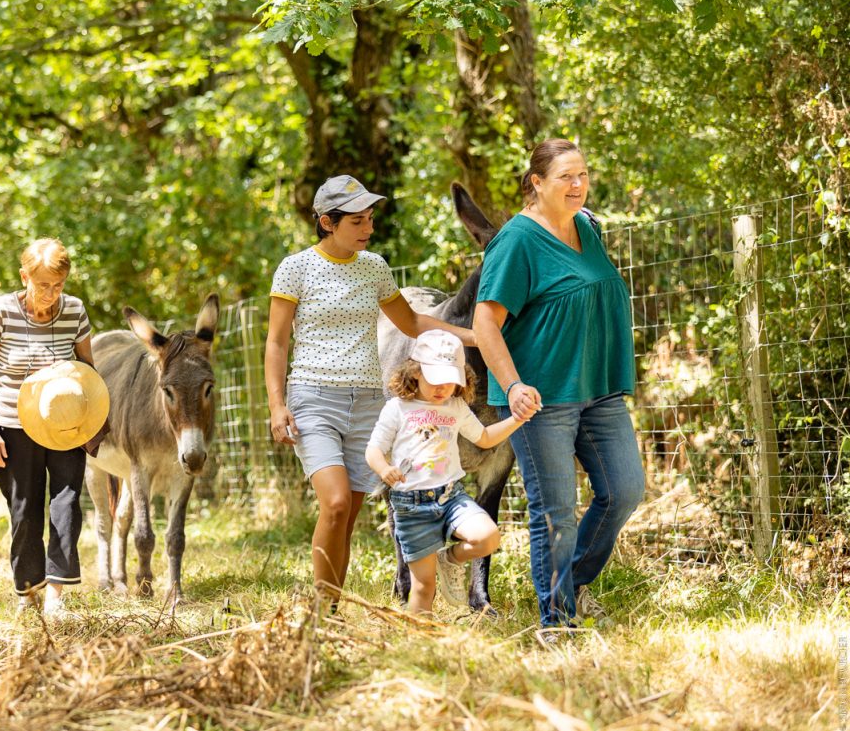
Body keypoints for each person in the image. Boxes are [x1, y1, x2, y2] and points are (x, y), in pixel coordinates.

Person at [265, 174, 475, 607]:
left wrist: (475, 337)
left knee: (349, 516)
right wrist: (276, 404)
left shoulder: (375, 267)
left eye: (370, 219)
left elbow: (412, 323)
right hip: (313, 399)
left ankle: (331, 610)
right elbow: (277, 342)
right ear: (327, 222)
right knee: (336, 503)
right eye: (357, 221)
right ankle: (321, 608)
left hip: (367, 404)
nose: (368, 228)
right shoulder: (296, 268)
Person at [474, 139, 644, 630]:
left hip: (598, 387)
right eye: (565, 176)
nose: (577, 184)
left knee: (624, 490)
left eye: (583, 174)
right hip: (541, 398)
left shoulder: (587, 226)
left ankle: (573, 584)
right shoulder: (517, 241)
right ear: (537, 182)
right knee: (555, 512)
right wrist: (512, 387)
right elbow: (485, 324)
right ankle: (557, 621)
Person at [0, 237, 100, 618]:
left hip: (65, 421)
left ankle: (56, 596)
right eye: (43, 285)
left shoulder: (74, 311)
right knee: (24, 511)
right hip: (13, 424)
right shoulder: (1, 312)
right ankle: (28, 592)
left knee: (67, 504)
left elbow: (88, 369)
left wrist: (92, 421)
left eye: (58, 285)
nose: (51, 294)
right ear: (24, 277)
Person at [366, 330, 531, 615]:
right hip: (412, 506)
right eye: (435, 378)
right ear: (415, 371)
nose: (442, 387)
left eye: (450, 379)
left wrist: (517, 419)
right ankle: (422, 637)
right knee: (423, 589)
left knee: (488, 537)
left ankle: (450, 559)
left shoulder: (455, 406)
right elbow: (373, 450)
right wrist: (384, 468)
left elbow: (484, 438)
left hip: (451, 498)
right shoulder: (397, 408)